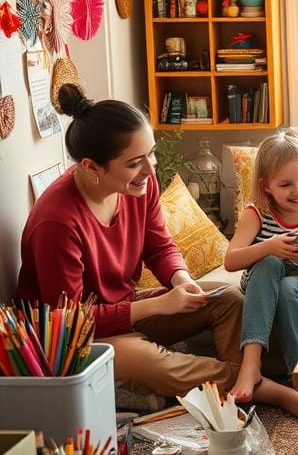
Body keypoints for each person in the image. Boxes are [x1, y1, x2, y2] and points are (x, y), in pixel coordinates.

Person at [17, 85, 245, 397]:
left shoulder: (139, 185)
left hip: (124, 308)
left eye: (151, 153)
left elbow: (159, 245)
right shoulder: (57, 221)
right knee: (156, 365)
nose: (150, 170)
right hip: (76, 337)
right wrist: (159, 305)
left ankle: (239, 382)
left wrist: (181, 280)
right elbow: (72, 321)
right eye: (135, 162)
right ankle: (254, 385)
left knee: (228, 300)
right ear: (91, 167)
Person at [224, 128, 298, 422]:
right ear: (266, 186)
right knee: (269, 264)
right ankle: (251, 364)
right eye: (285, 184)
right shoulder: (257, 212)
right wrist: (269, 247)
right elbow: (230, 261)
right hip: (263, 280)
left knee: (290, 286)